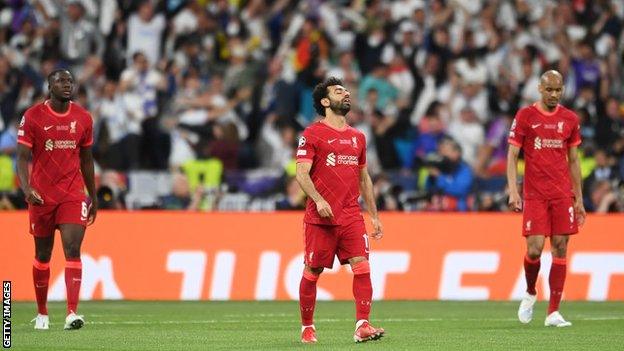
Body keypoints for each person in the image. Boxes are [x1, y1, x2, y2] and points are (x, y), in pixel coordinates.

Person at [295, 77, 384, 344]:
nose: (345, 94)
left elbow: (364, 178)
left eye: (346, 90)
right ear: (325, 102)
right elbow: (301, 174)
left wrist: (374, 215)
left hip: (350, 215)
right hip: (320, 218)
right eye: (338, 91)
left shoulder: (358, 137)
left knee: (362, 267)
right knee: (312, 271)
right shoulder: (311, 134)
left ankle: (363, 325)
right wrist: (318, 199)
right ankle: (307, 327)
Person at [16, 69, 97, 330]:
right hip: (42, 195)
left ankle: (72, 313)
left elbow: (86, 160)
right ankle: (42, 313)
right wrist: (27, 188)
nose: (67, 85)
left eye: (70, 81)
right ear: (49, 86)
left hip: (73, 194)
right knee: (43, 254)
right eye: (60, 81)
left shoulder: (83, 118)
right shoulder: (33, 117)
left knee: (73, 250)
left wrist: (92, 195)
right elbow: (22, 158)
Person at [507, 70, 586, 328]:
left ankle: (553, 312)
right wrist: (513, 191)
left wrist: (579, 199)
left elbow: (574, 161)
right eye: (549, 89)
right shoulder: (526, 116)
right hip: (535, 193)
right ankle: (531, 291)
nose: (554, 94)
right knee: (534, 248)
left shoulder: (570, 119)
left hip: (562, 194)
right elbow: (512, 155)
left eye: (558, 90)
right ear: (540, 89)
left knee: (561, 248)